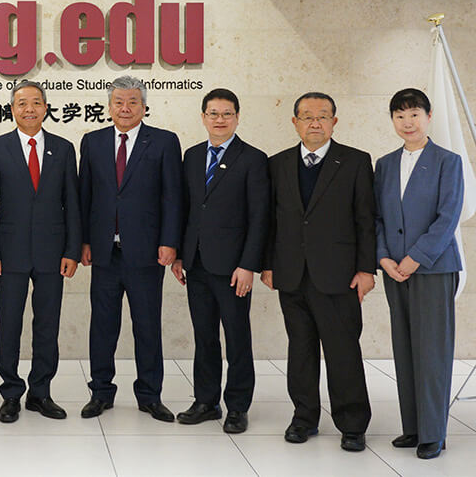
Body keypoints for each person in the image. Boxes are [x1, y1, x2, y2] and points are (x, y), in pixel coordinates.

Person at [261, 91, 375, 452]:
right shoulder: (277, 164)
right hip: (291, 274)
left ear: (334, 122)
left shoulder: (355, 162)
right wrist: (267, 264)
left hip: (339, 276)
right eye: (307, 116)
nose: (314, 122)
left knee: (343, 351)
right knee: (300, 350)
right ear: (294, 122)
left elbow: (366, 221)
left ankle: (353, 424)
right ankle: (304, 417)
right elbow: (270, 222)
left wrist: (366, 269)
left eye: (322, 116)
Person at [78, 76, 183, 421]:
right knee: (103, 326)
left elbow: (173, 197)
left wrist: (170, 242)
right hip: (105, 253)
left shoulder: (165, 142)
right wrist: (85, 242)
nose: (125, 108)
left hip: (147, 253)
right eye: (119, 102)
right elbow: (85, 197)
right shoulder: (92, 142)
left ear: (143, 106)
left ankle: (150, 395)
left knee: (147, 325)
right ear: (109, 107)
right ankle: (101, 392)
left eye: (132, 102)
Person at [171, 88, 269, 434]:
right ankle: (206, 401)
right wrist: (181, 254)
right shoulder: (193, 156)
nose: (219, 119)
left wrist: (248, 265)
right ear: (203, 117)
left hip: (233, 268)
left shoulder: (253, 159)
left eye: (227, 113)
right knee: (204, 336)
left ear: (238, 117)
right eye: (213, 113)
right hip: (196, 264)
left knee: (237, 337)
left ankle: (238, 406)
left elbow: (260, 217)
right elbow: (187, 209)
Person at [0, 80, 80, 423]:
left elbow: (73, 204)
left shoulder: (64, 148)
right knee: (9, 324)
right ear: (12, 109)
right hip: (8, 255)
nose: (29, 109)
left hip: (53, 254)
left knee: (47, 325)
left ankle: (41, 392)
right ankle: (10, 393)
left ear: (46, 107)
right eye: (22, 103)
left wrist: (71, 250)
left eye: (36, 103)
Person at [375, 88, 464, 460]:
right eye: (399, 115)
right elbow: (376, 217)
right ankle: (412, 427)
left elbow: (449, 217)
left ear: (428, 117)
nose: (407, 122)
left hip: (431, 268)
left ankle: (433, 433)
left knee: (432, 352)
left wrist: (416, 258)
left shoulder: (449, 161)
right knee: (405, 350)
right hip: (394, 270)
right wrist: (383, 258)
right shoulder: (384, 164)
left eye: (414, 114)